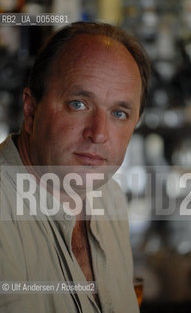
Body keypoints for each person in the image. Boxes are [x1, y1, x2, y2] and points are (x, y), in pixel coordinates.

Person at [0, 21, 150, 312]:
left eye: (119, 113)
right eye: (78, 104)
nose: (99, 133)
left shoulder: (111, 198)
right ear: (31, 111)